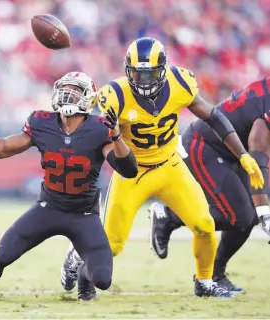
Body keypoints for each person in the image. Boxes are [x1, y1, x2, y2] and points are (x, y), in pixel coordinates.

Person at [60, 37, 264, 298]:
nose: (144, 81)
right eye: (138, 74)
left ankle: (204, 281)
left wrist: (243, 154)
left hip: (171, 166)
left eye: (151, 74)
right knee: (113, 244)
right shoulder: (115, 94)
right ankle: (79, 257)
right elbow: (97, 140)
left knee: (204, 224)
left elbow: (212, 116)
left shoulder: (181, 83)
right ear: (127, 70)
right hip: (132, 172)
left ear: (164, 69)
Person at [0, 72, 138, 302]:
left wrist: (117, 138)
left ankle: (83, 273)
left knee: (102, 279)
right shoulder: (41, 122)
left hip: (83, 214)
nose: (67, 94)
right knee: (1, 256)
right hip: (47, 208)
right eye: (65, 89)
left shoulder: (100, 128)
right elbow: (0, 149)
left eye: (75, 90)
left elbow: (128, 170)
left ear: (88, 97)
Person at [149, 77, 270, 292]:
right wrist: (265, 210)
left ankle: (215, 274)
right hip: (205, 144)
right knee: (240, 214)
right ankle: (169, 216)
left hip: (235, 154)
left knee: (247, 217)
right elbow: (258, 152)